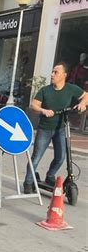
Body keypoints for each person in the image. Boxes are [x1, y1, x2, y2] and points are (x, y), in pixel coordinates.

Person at [23, 62, 87, 193]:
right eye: (52, 72)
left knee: (61, 157)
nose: (52, 74)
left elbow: (86, 95)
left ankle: (50, 176)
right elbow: (33, 105)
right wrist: (43, 110)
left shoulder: (71, 89)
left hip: (61, 129)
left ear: (64, 75)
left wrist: (82, 103)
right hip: (45, 129)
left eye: (56, 72)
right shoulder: (45, 90)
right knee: (36, 157)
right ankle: (28, 182)